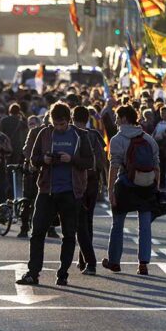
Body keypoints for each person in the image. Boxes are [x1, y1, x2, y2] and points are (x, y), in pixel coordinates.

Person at [16, 103, 94, 287]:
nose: (58, 128)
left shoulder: (80, 135)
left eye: (62, 124)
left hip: (71, 192)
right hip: (46, 190)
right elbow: (33, 160)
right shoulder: (44, 134)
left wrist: (71, 159)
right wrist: (44, 159)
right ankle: (33, 273)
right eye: (55, 124)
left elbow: (90, 162)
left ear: (69, 121)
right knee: (37, 232)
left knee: (68, 234)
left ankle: (63, 273)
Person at [103, 105, 160, 275]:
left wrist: (110, 190)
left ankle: (114, 261)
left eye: (117, 116)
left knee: (117, 224)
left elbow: (114, 167)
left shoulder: (117, 139)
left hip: (125, 185)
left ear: (124, 119)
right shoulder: (148, 138)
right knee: (144, 226)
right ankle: (143, 264)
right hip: (146, 186)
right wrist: (156, 186)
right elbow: (157, 165)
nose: (115, 119)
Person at [72, 105, 107, 276]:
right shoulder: (94, 136)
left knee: (77, 222)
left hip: (75, 183)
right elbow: (102, 161)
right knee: (88, 221)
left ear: (73, 118)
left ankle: (85, 259)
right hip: (92, 183)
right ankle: (84, 258)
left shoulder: (71, 135)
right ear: (87, 119)